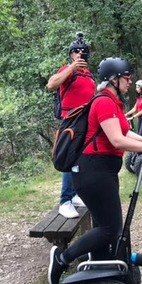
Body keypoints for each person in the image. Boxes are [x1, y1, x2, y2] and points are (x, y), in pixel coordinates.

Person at [48, 57, 142, 284]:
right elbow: (117, 140)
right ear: (114, 79)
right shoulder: (103, 102)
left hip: (100, 172)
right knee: (111, 229)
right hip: (93, 172)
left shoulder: (112, 102)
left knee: (104, 225)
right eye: (127, 77)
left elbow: (125, 132)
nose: (130, 81)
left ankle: (97, 267)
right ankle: (62, 258)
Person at [46, 33, 95, 219]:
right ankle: (64, 201)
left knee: (80, 161)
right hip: (70, 119)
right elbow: (51, 85)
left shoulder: (89, 75)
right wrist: (72, 67)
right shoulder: (68, 70)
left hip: (86, 120)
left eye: (83, 52)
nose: (80, 54)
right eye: (76, 51)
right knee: (68, 158)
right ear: (71, 54)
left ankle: (75, 196)